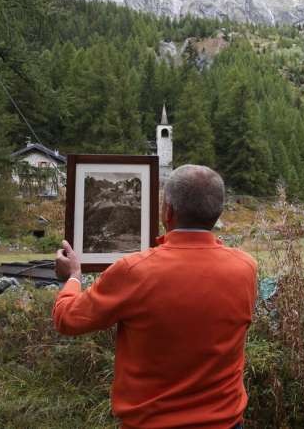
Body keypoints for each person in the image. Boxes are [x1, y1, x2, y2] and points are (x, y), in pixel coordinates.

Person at [53, 164, 257, 429]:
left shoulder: (134, 271)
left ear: (168, 211)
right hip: (226, 423)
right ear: (217, 213)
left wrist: (73, 276)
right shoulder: (245, 268)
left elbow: (67, 319)